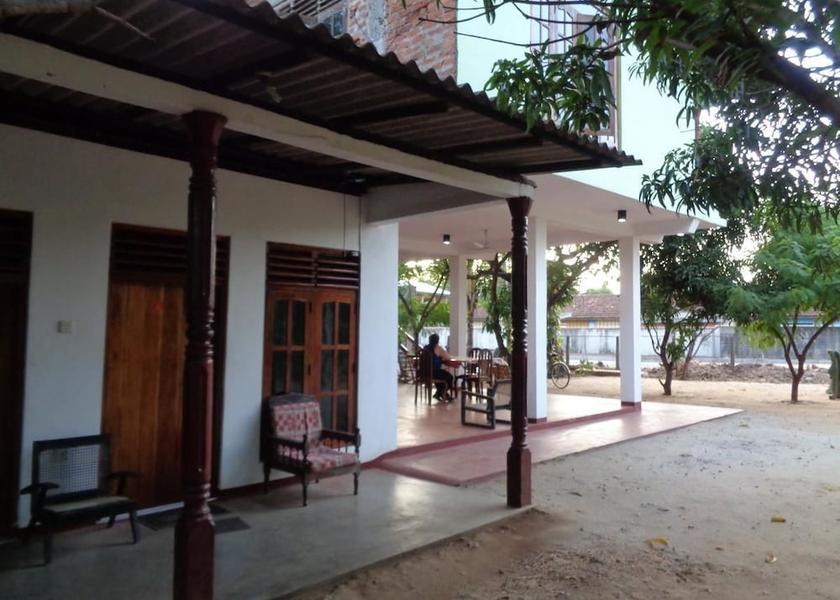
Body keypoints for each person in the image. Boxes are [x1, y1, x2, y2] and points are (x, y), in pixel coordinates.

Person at [424, 334, 461, 401]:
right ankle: (442, 393)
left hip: (425, 373)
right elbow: (448, 357)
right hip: (434, 372)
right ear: (438, 341)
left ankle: (439, 394)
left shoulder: (425, 348)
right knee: (450, 377)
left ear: (429, 340)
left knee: (442, 375)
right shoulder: (438, 348)